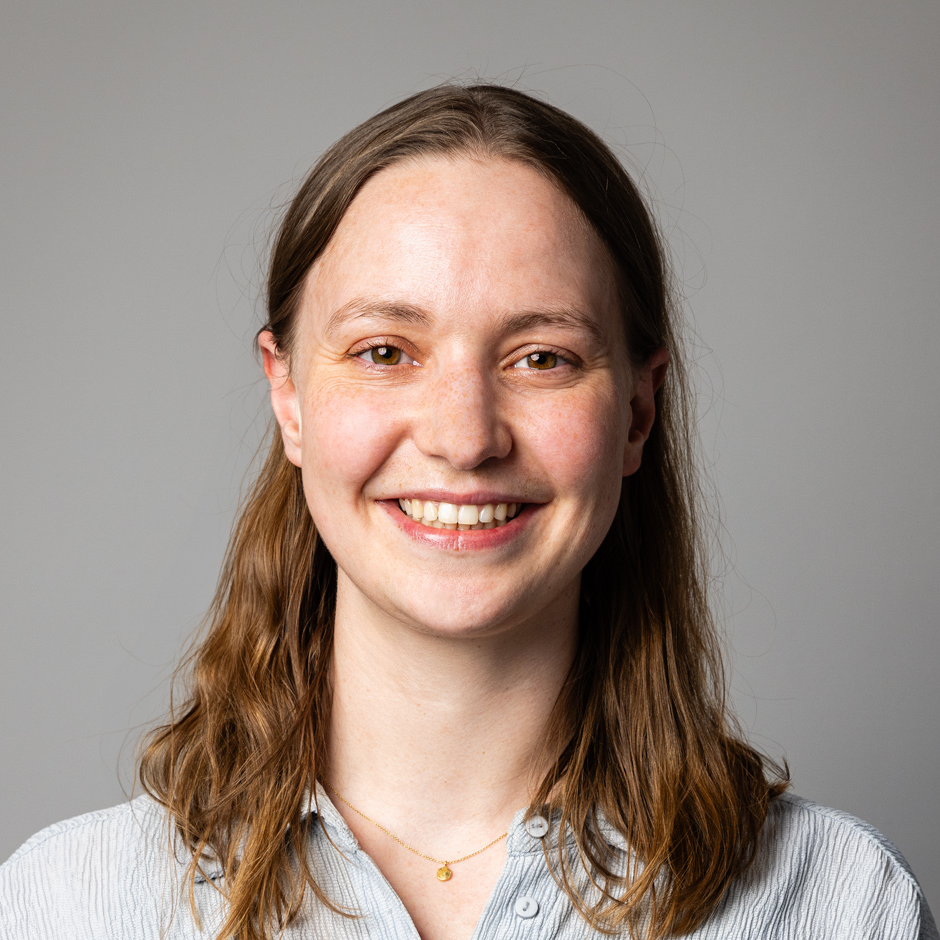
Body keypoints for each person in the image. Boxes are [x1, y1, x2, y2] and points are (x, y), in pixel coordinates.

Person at [0, 83, 935, 940]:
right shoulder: (64, 906)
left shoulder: (837, 904)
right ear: (288, 398)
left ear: (637, 414)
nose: (464, 437)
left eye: (541, 358)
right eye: (383, 351)